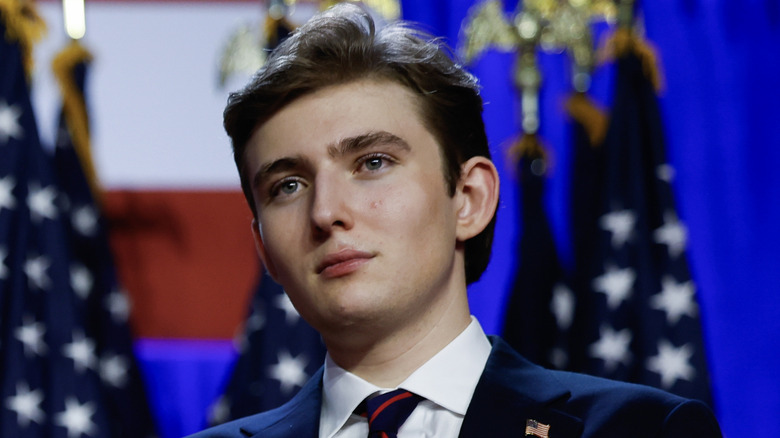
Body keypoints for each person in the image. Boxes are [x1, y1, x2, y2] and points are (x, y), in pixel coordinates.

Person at [190, 4, 722, 437]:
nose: (326, 213)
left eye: (372, 163)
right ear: (263, 248)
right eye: (288, 186)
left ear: (468, 198)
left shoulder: (642, 431)